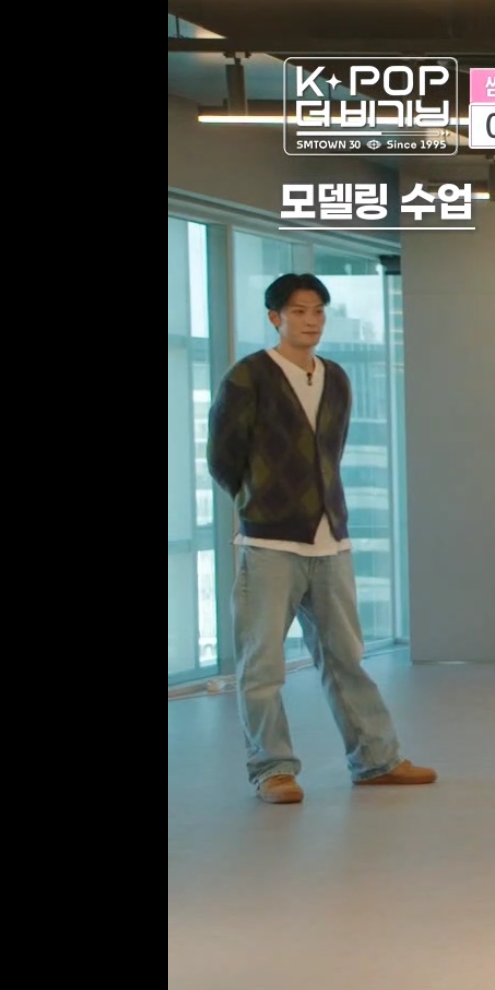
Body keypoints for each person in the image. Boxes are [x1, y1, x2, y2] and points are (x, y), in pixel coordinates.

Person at [208, 273, 437, 804]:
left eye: (318, 311)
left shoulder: (335, 378)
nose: (311, 321)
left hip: (331, 540)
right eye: (299, 311)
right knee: (262, 667)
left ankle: (377, 761)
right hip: (269, 545)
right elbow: (223, 456)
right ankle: (273, 771)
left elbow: (329, 453)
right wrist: (257, 504)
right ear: (275, 318)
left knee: (345, 659)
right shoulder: (248, 377)